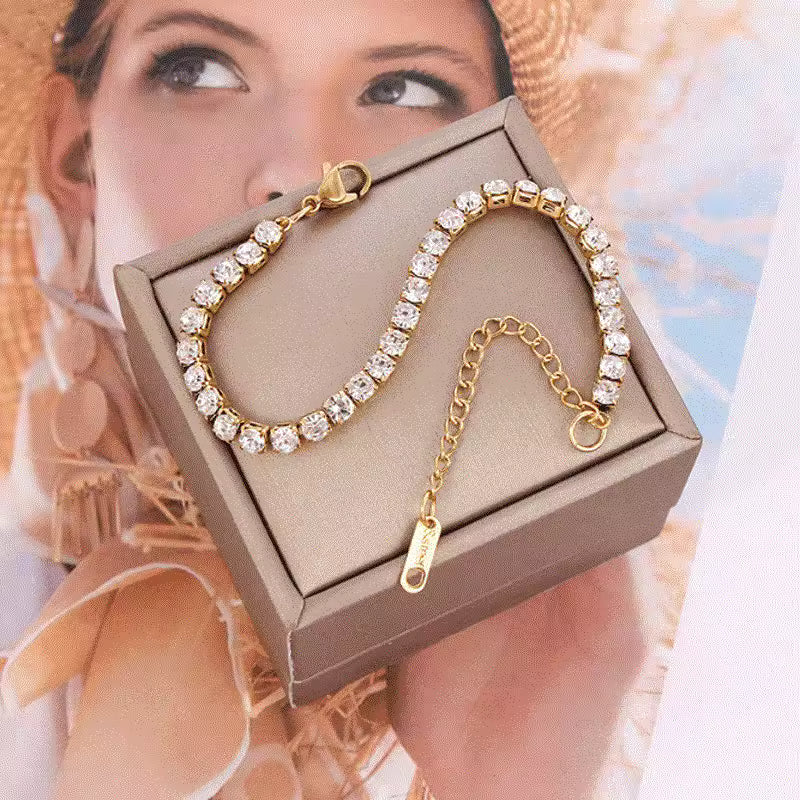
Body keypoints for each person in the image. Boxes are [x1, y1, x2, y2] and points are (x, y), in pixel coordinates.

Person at [0, 1, 653, 798]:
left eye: (403, 88)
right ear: (73, 152)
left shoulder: (585, 692)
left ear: (499, 167)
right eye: (197, 68)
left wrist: (511, 781)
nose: (305, 171)